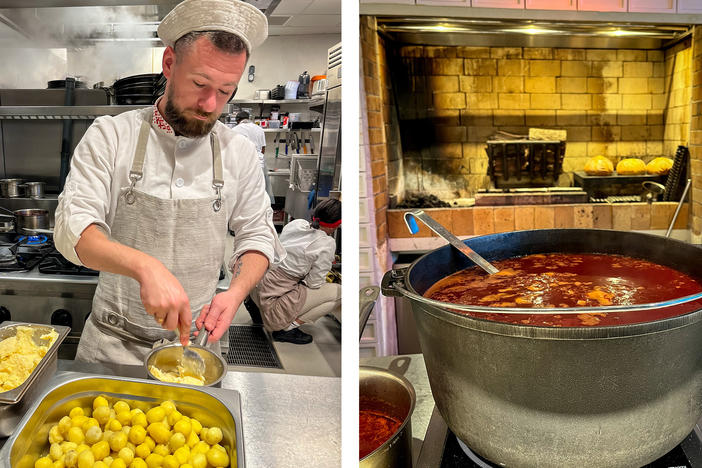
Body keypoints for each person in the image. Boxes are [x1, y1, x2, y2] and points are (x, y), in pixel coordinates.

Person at [54, 0, 284, 365]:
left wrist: (236, 292)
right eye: (199, 83)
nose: (210, 103)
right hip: (112, 346)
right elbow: (73, 230)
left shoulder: (237, 151)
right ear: (169, 63)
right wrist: (146, 266)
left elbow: (258, 234)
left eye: (225, 91)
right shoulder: (111, 136)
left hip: (193, 350)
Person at [249, 199, 341, 345]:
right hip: (274, 298)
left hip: (256, 288)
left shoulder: (296, 224)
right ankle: (286, 329)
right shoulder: (326, 243)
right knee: (339, 293)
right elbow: (314, 283)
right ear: (337, 225)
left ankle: (259, 313)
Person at [231, 111, 274, 203]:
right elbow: (263, 149)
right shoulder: (259, 129)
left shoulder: (235, 130)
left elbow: (233, 150)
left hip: (243, 166)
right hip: (259, 164)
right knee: (257, 192)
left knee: (244, 194)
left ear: (238, 120)